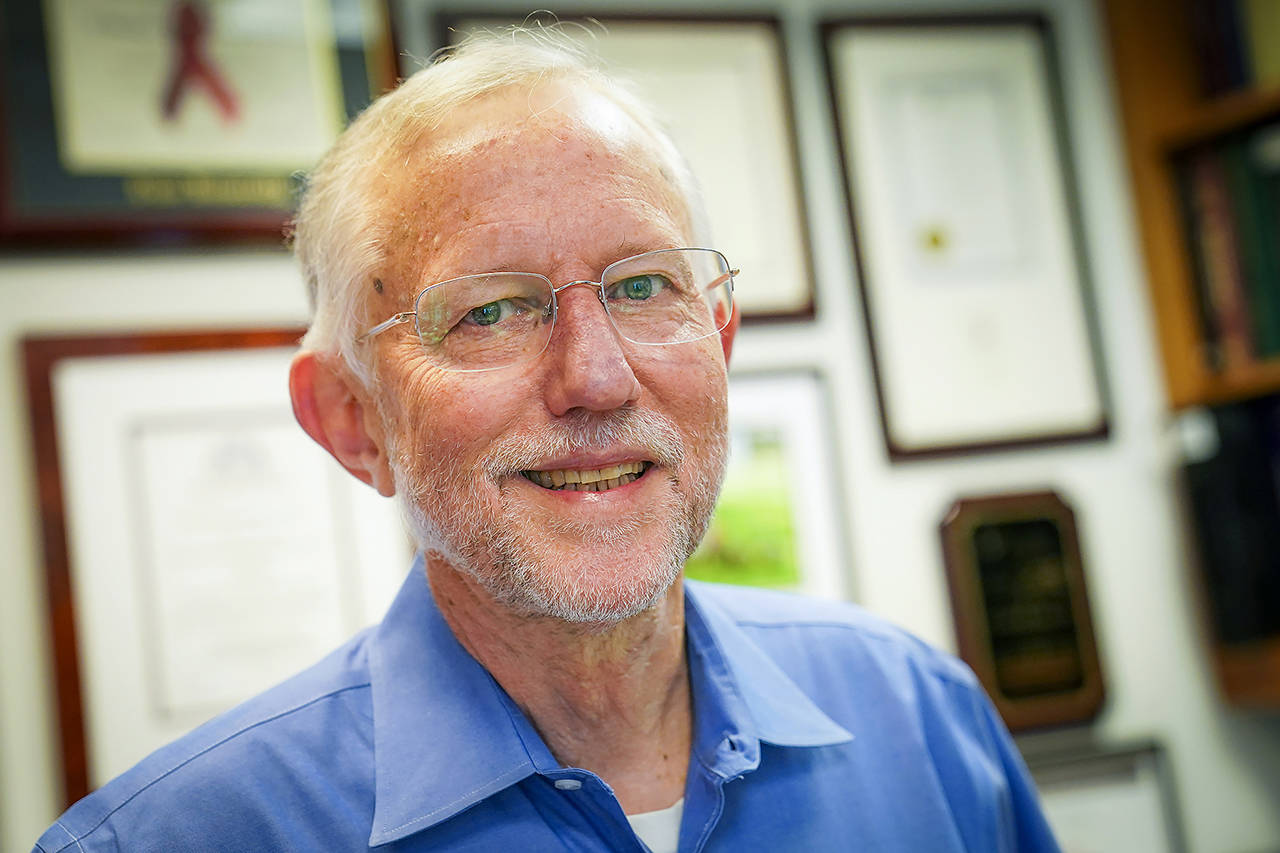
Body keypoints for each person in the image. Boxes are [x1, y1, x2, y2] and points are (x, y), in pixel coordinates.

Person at [35, 32, 1060, 853]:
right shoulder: (182, 837)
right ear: (352, 421)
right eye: (489, 312)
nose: (595, 378)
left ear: (718, 335)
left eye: (642, 287)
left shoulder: (921, 722)